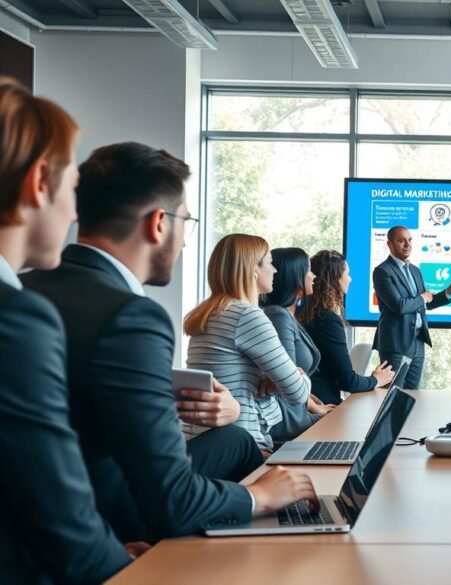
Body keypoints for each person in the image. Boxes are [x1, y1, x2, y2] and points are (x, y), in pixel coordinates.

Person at [24, 142, 318, 543]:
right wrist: (257, 496)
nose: (183, 243)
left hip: (48, 523)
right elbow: (171, 499)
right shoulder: (130, 317)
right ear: (159, 223)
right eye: (186, 223)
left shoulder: (24, 289)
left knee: (235, 436)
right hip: (112, 520)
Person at [0, 77, 137, 584]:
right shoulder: (17, 317)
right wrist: (128, 566)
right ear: (39, 182)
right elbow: (53, 502)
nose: (77, 213)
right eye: (72, 189)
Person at [185, 234, 312, 453]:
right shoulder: (246, 315)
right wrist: (299, 373)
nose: (275, 270)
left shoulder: (210, 313)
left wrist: (270, 379)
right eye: (270, 262)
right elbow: (298, 394)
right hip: (243, 446)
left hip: (208, 443)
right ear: (253, 269)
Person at [372, 225, 451, 389]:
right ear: (390, 245)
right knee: (391, 394)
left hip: (418, 341)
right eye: (401, 241)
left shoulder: (415, 271)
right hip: (395, 344)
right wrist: (422, 297)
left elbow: (427, 303)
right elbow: (399, 306)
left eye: (410, 240)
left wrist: (449, 291)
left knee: (413, 393)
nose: (407, 245)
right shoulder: (382, 271)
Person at [300, 250, 394, 405]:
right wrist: (376, 379)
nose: (350, 279)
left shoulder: (305, 314)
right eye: (347, 274)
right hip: (325, 407)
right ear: (334, 278)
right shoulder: (327, 320)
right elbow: (348, 382)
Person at [261, 247, 334, 441]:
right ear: (296, 277)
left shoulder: (287, 315)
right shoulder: (278, 316)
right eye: (308, 270)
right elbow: (289, 379)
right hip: (289, 419)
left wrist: (316, 403)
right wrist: (317, 409)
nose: (313, 276)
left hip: (298, 411)